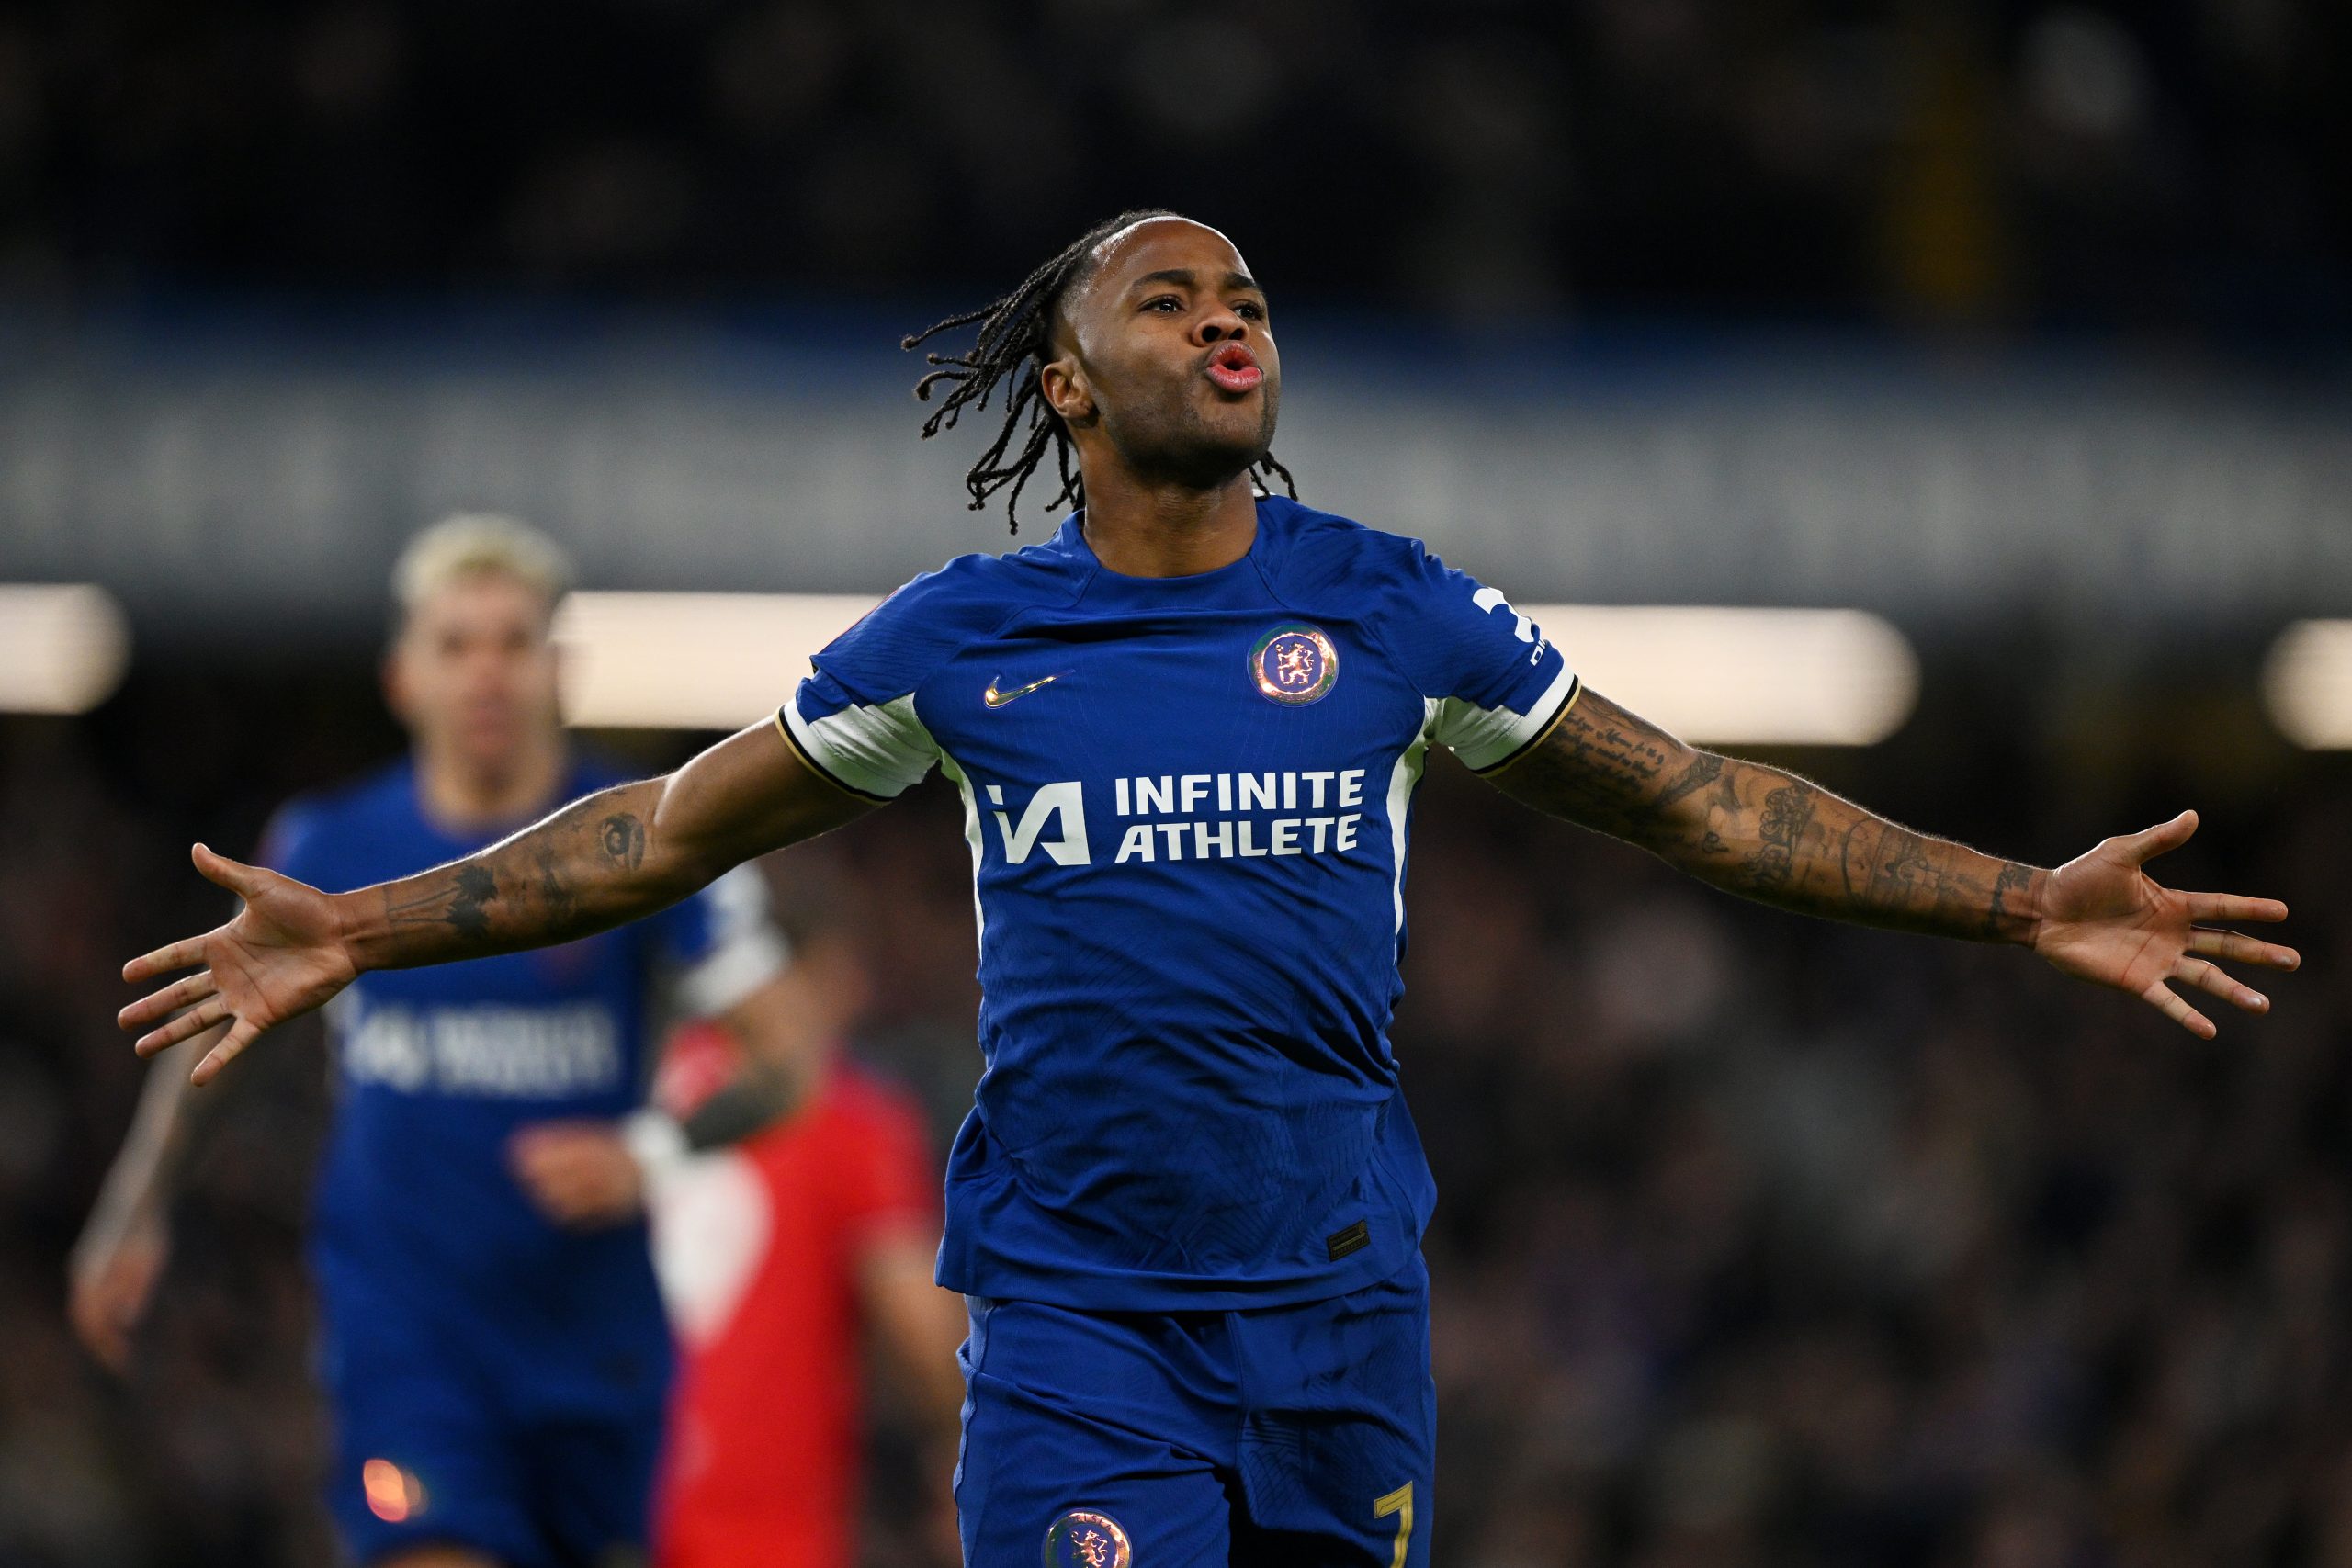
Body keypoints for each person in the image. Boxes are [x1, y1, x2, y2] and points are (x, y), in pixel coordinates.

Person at [116, 214, 2299, 1568]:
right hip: (1076, 1318)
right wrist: (367, 920)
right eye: (1168, 295)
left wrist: (2020, 899)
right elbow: (667, 824)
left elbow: (1706, 802)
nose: (1226, 313)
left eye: (1246, 291)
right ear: (1066, 380)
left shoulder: (1390, 613)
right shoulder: (966, 639)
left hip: (1340, 1308)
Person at [76, 515, 823, 1568]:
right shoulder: (327, 850)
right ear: (402, 678)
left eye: (513, 644)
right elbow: (224, 1037)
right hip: (410, 1335)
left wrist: (650, 1153)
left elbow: (791, 1054)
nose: (485, 673)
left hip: (593, 1341)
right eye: (455, 644)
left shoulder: (640, 842)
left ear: (559, 671)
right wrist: (136, 1205)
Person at [642, 925, 967, 1568]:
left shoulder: (635, 1088)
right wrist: (968, 1457)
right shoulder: (843, 1111)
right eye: (841, 978)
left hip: (600, 1504)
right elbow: (927, 1344)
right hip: (760, 1536)